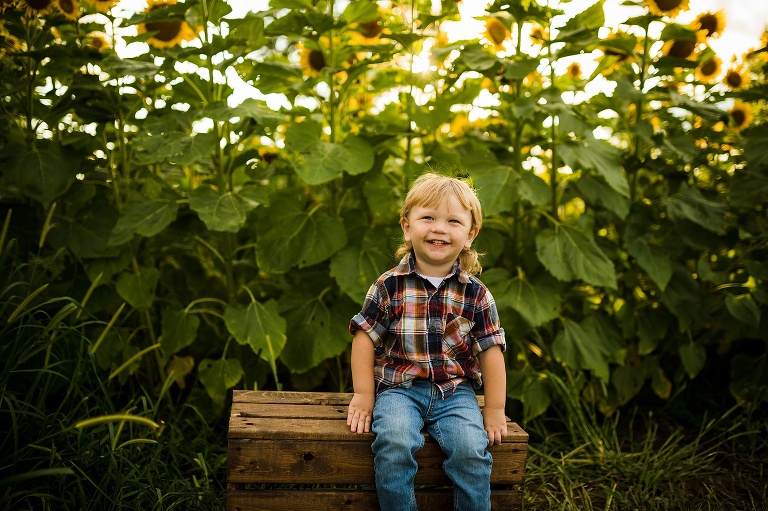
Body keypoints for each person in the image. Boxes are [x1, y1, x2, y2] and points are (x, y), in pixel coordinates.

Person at [346, 172, 507, 511]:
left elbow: (490, 350)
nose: (439, 228)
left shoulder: (476, 294)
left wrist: (494, 409)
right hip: (399, 389)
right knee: (394, 440)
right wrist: (363, 394)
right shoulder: (389, 285)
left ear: (469, 234)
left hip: (456, 392)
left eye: (453, 221)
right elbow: (364, 337)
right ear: (407, 226)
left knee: (470, 449)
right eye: (428, 217)